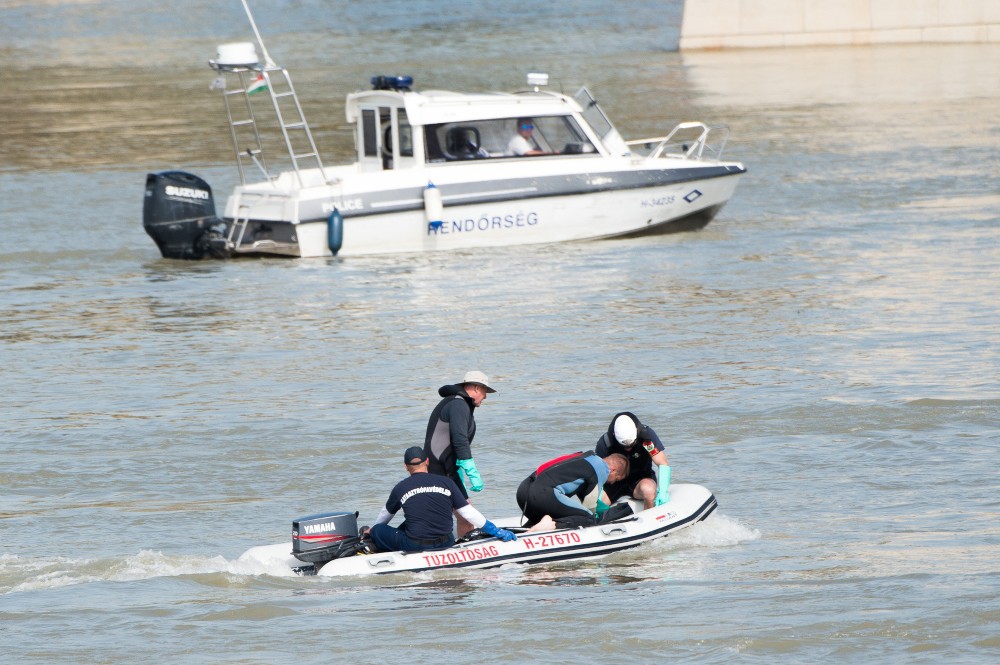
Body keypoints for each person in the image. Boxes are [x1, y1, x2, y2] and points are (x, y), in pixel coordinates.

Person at [364, 447, 516, 553]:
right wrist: (496, 531)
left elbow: (385, 515)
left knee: (378, 530)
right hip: (446, 542)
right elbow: (468, 513)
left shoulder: (401, 487)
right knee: (409, 523)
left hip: (415, 545)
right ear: (428, 461)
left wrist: (372, 531)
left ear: (406, 466)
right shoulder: (447, 482)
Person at [424, 370, 496, 537]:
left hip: (448, 471)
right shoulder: (458, 404)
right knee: (447, 517)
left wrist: (458, 471)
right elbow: (459, 439)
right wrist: (471, 470)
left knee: (465, 517)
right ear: (477, 388)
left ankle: (463, 551)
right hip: (437, 471)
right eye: (485, 392)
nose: (485, 397)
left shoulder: (460, 404)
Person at [515, 451, 629, 530]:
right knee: (589, 519)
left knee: (561, 511)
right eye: (617, 479)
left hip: (523, 491)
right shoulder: (602, 468)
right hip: (543, 496)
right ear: (613, 470)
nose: (612, 483)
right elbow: (590, 506)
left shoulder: (584, 457)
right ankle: (552, 525)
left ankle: (525, 531)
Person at [595, 412, 671, 509]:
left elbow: (662, 463)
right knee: (595, 504)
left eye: (631, 445)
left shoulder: (646, 437)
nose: (628, 449)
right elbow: (598, 472)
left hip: (640, 479)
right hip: (614, 482)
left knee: (648, 490)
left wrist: (663, 491)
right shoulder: (606, 442)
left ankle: (649, 517)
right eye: (624, 446)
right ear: (614, 435)